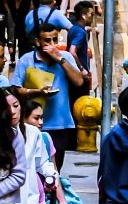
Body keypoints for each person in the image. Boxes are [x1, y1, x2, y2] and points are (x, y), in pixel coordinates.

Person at [16, 19, 87, 165]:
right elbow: (15, 89)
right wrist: (36, 92)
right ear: (37, 42)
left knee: (55, 168)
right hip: (31, 123)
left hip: (59, 124)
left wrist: (59, 59)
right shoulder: (26, 60)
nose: (52, 44)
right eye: (47, 40)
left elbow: (79, 82)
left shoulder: (65, 57)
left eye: (54, 39)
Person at [11, 88, 59, 204]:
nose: (12, 111)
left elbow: (42, 162)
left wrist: (51, 175)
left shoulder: (33, 134)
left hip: (28, 197)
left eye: (16, 105)